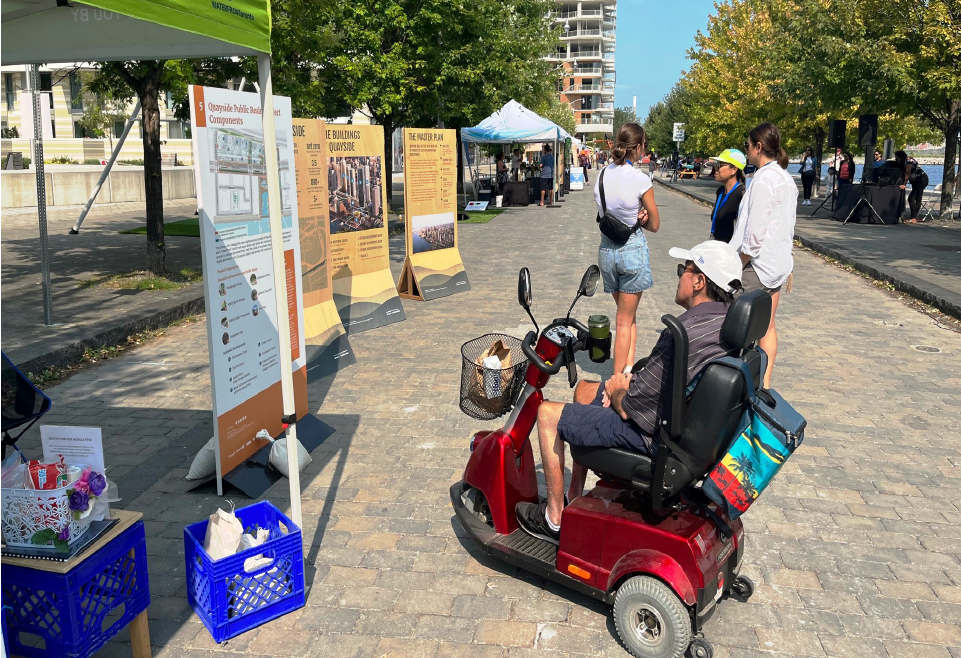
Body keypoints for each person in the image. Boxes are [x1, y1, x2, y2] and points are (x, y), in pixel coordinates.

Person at [514, 241, 744, 543]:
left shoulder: (681, 333)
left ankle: (554, 518)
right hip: (679, 427)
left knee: (546, 415)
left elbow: (629, 408)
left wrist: (618, 389)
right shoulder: (724, 324)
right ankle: (573, 497)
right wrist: (626, 383)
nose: (680, 277)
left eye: (683, 270)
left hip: (652, 437)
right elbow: (657, 381)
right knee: (583, 390)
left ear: (699, 281)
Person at [731, 122, 796, 389]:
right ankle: (765, 385)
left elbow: (754, 235)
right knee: (768, 326)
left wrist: (737, 265)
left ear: (759, 147)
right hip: (778, 265)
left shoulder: (763, 180)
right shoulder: (786, 179)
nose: (746, 151)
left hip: (756, 267)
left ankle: (740, 385)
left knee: (740, 331)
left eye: (747, 146)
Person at [594, 123, 661, 376]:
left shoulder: (601, 175)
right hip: (630, 250)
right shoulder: (639, 179)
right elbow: (655, 224)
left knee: (627, 316)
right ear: (640, 147)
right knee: (623, 321)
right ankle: (616, 383)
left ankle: (629, 369)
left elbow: (606, 212)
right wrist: (641, 217)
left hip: (607, 252)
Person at [710, 148, 746, 243]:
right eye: (715, 164)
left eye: (719, 165)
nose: (715, 168)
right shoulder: (720, 191)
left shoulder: (742, 194)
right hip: (718, 249)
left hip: (732, 252)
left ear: (734, 169)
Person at [895, 150, 929, 223]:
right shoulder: (902, 163)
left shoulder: (909, 161)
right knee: (917, 198)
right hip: (915, 181)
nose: (896, 159)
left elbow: (908, 173)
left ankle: (913, 217)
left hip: (921, 179)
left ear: (902, 157)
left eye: (897, 158)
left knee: (911, 198)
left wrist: (904, 184)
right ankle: (914, 217)